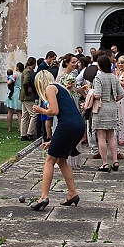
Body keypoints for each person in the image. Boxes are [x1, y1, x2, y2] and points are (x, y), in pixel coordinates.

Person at [30, 71, 83, 210]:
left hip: (67, 125)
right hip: (77, 125)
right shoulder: (61, 88)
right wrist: (53, 141)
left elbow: (54, 111)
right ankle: (72, 193)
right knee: (61, 160)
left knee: (49, 160)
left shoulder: (50, 88)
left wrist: (41, 110)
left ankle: (43, 196)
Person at [91, 55, 124, 172]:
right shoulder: (114, 77)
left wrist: (91, 93)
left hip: (101, 108)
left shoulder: (98, 78)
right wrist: (113, 100)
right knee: (111, 136)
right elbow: (121, 94)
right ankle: (115, 160)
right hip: (112, 107)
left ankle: (105, 163)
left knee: (101, 137)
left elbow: (98, 95)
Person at [19, 57, 38, 141]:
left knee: (25, 116)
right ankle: (30, 132)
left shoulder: (25, 70)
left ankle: (23, 134)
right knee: (34, 114)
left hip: (23, 96)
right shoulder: (28, 71)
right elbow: (25, 82)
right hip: (28, 96)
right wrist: (28, 89)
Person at [5, 64, 24, 132]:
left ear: (18, 68)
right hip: (20, 92)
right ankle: (20, 127)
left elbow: (10, 82)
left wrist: (8, 82)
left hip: (14, 92)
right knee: (19, 112)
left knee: (10, 111)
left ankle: (10, 128)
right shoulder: (23, 74)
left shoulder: (15, 74)